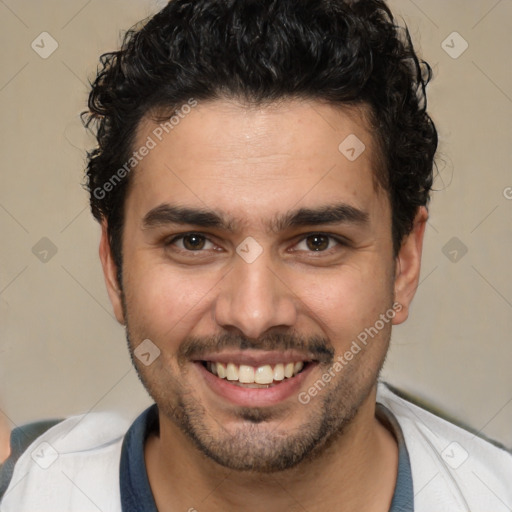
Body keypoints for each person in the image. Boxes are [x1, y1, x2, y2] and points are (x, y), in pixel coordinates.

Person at [1, 0, 510, 510]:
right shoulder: (30, 487)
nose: (253, 314)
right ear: (114, 268)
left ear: (404, 265)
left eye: (317, 241)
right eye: (193, 242)